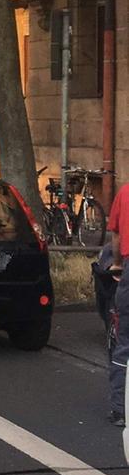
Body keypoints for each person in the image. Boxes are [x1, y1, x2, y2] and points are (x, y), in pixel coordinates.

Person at [106, 182, 129, 425]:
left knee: (125, 343)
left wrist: (118, 264)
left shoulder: (125, 192)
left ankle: (121, 410)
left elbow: (116, 235)